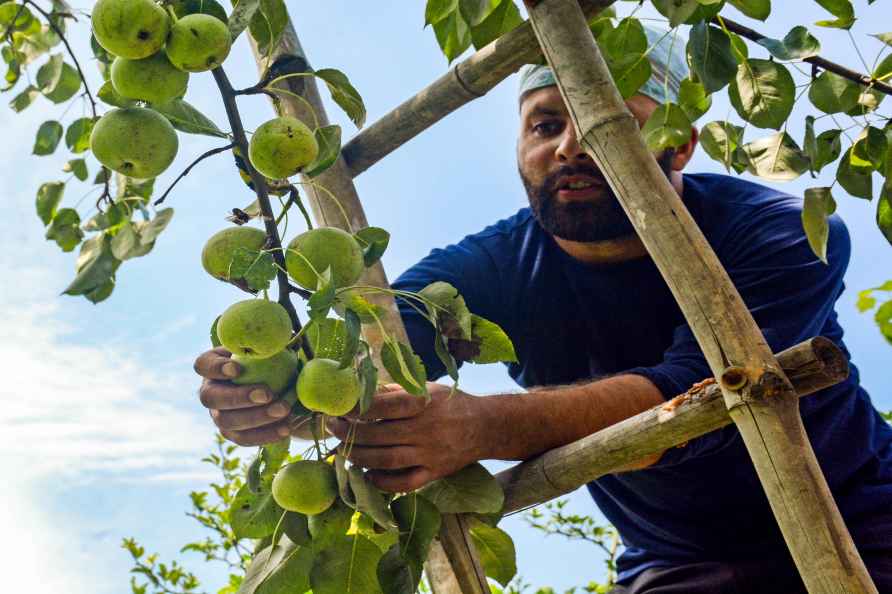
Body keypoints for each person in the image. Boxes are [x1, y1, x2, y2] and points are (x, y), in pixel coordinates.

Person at [193, 26, 892, 594]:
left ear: (679, 143)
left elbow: (705, 393)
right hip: (672, 559)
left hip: (865, 519)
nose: (569, 146)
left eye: (604, 120)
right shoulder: (488, 269)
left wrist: (480, 425)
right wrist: (274, 390)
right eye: (544, 124)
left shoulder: (778, 226)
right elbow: (366, 358)